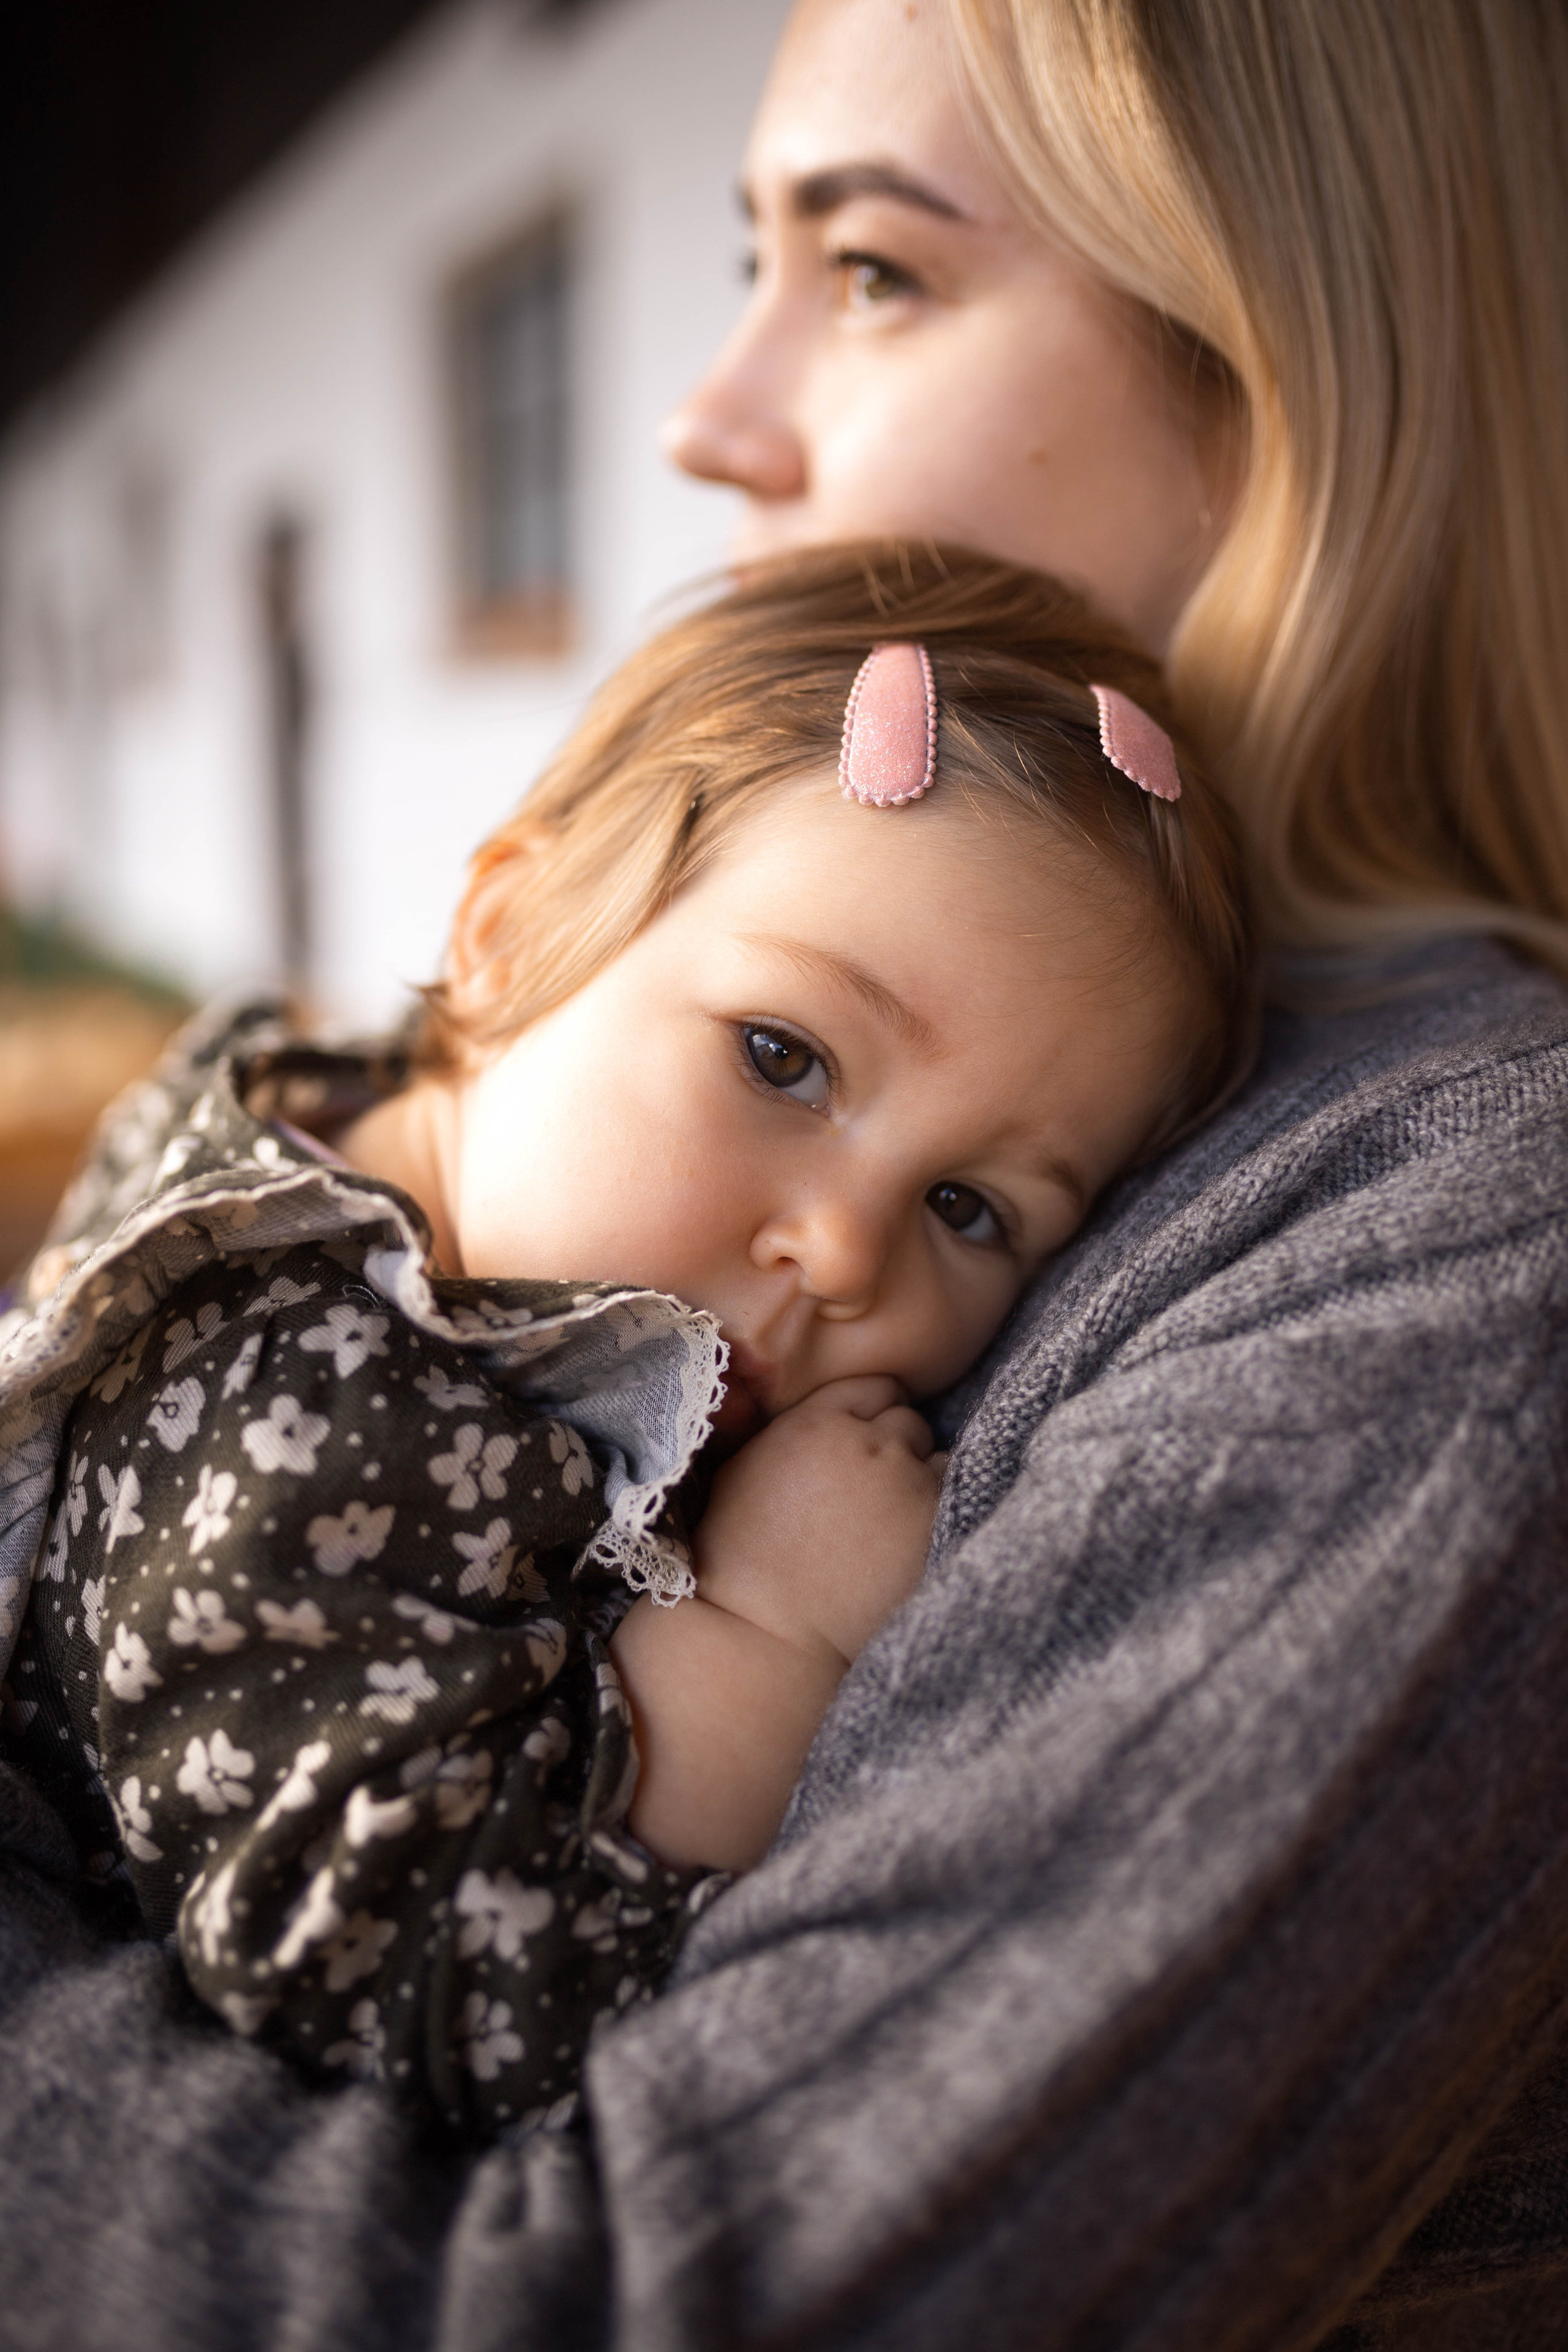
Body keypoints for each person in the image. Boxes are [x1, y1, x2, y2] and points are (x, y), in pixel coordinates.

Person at [0, 1, 1564, 2346]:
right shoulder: (394, 1230)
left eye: (873, 270)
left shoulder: (1448, 1230)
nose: (703, 419)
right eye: (775, 1051)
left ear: (1281, 375)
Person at [0, 541, 1250, 2137]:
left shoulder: (397, 1138)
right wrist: (763, 1641)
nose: (845, 1251)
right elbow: (426, 2000)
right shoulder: (305, 1405)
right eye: (784, 1057)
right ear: (511, 938)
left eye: (971, 1206)